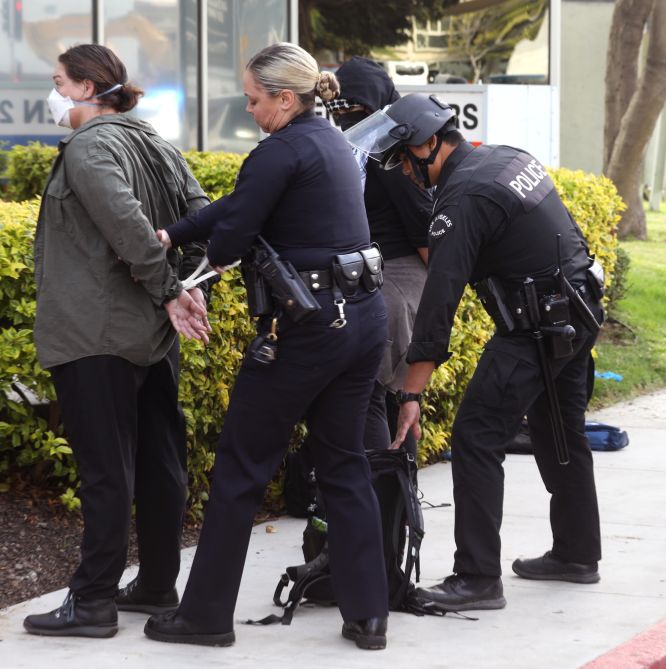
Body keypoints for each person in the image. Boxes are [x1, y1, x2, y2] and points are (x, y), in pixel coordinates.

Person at [142, 43, 390, 650]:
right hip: (361, 320)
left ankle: (202, 618)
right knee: (344, 464)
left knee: (240, 470)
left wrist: (180, 264)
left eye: (254, 99)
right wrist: (175, 231)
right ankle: (369, 616)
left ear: (284, 97)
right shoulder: (330, 139)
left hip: (304, 331)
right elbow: (240, 205)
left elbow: (231, 237)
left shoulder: (279, 150)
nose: (249, 109)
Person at [347, 93, 605, 611]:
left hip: (534, 330)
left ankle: (478, 577)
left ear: (428, 145)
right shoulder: (507, 158)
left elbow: (439, 302)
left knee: (475, 437)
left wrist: (411, 392)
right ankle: (577, 554)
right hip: (576, 315)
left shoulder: (461, 199)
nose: (402, 171)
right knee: (561, 430)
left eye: (402, 159)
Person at [22, 44, 211, 640]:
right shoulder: (150, 138)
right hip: (152, 337)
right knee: (160, 461)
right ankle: (156, 583)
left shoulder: (88, 146)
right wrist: (188, 284)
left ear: (83, 88)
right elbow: (204, 212)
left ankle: (94, 602)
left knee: (106, 471)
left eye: (57, 81)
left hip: (95, 333)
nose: (52, 93)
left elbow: (126, 221)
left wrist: (168, 288)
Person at [329, 56, 432, 457]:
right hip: (364, 279)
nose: (345, 117)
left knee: (372, 394)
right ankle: (388, 504)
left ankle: (385, 501)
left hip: (393, 284)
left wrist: (438, 298)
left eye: (355, 108)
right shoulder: (359, 146)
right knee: (381, 400)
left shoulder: (391, 154)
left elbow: (425, 234)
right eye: (338, 108)